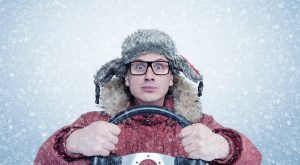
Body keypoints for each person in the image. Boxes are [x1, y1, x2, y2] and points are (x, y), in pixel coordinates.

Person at [34, 29, 262, 165]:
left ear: (172, 77)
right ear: (125, 77)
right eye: (140, 67)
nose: (150, 75)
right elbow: (42, 160)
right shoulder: (93, 124)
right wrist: (71, 144)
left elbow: (254, 160)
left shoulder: (200, 126)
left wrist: (224, 148)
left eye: (160, 67)